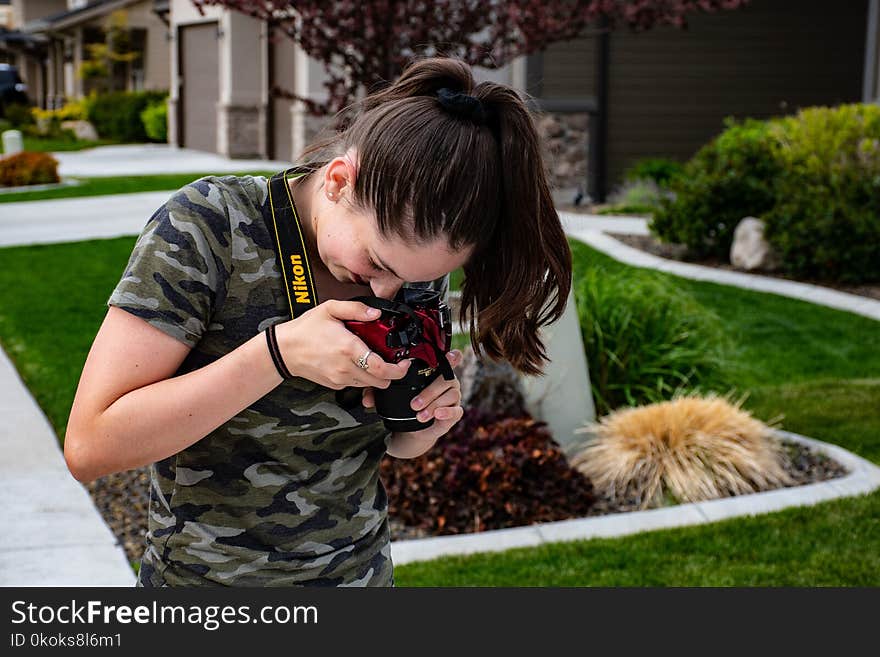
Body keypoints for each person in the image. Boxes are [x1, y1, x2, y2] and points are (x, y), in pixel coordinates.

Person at [63, 56, 572, 587]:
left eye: (411, 278)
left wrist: (424, 425)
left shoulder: (410, 271)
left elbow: (388, 445)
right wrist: (278, 355)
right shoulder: (212, 226)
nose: (386, 291)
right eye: (378, 263)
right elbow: (91, 446)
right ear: (338, 180)